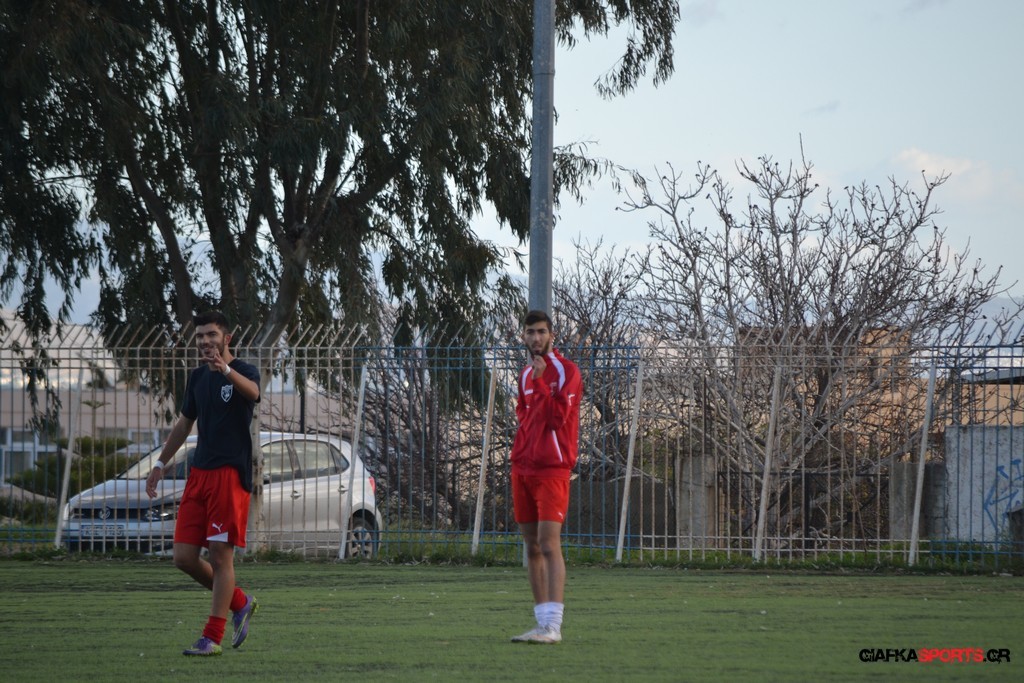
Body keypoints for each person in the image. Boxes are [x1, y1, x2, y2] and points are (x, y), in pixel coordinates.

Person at [145, 310, 262, 656]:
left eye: (212, 334)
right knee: (183, 557)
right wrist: (159, 464)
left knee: (220, 557)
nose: (205, 341)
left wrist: (225, 370)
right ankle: (240, 602)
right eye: (199, 336)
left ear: (226, 339)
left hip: (229, 475)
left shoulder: (243, 371)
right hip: (199, 476)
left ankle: (212, 638)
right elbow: (184, 424)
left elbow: (254, 393)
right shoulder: (197, 378)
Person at [508, 310, 582, 645]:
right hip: (523, 468)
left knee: (550, 544)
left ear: (552, 335)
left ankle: (554, 626)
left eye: (541, 332)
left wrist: (540, 382)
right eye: (530, 332)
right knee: (532, 546)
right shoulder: (525, 374)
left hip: (552, 469)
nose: (536, 338)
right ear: (523, 336)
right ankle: (541, 624)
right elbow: (525, 417)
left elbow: (555, 419)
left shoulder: (566, 371)